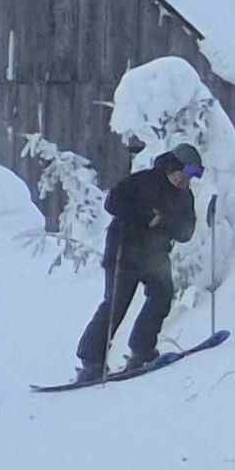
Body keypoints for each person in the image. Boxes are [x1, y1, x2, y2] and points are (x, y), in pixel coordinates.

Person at [78, 146, 204, 381]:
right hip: (124, 251)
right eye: (183, 176)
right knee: (116, 304)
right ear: (172, 167)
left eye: (190, 179)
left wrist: (165, 221)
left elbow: (186, 232)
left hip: (154, 256)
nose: (185, 182)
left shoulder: (185, 196)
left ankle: (142, 350)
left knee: (162, 295)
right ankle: (92, 361)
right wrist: (146, 216)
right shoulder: (144, 181)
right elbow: (113, 203)